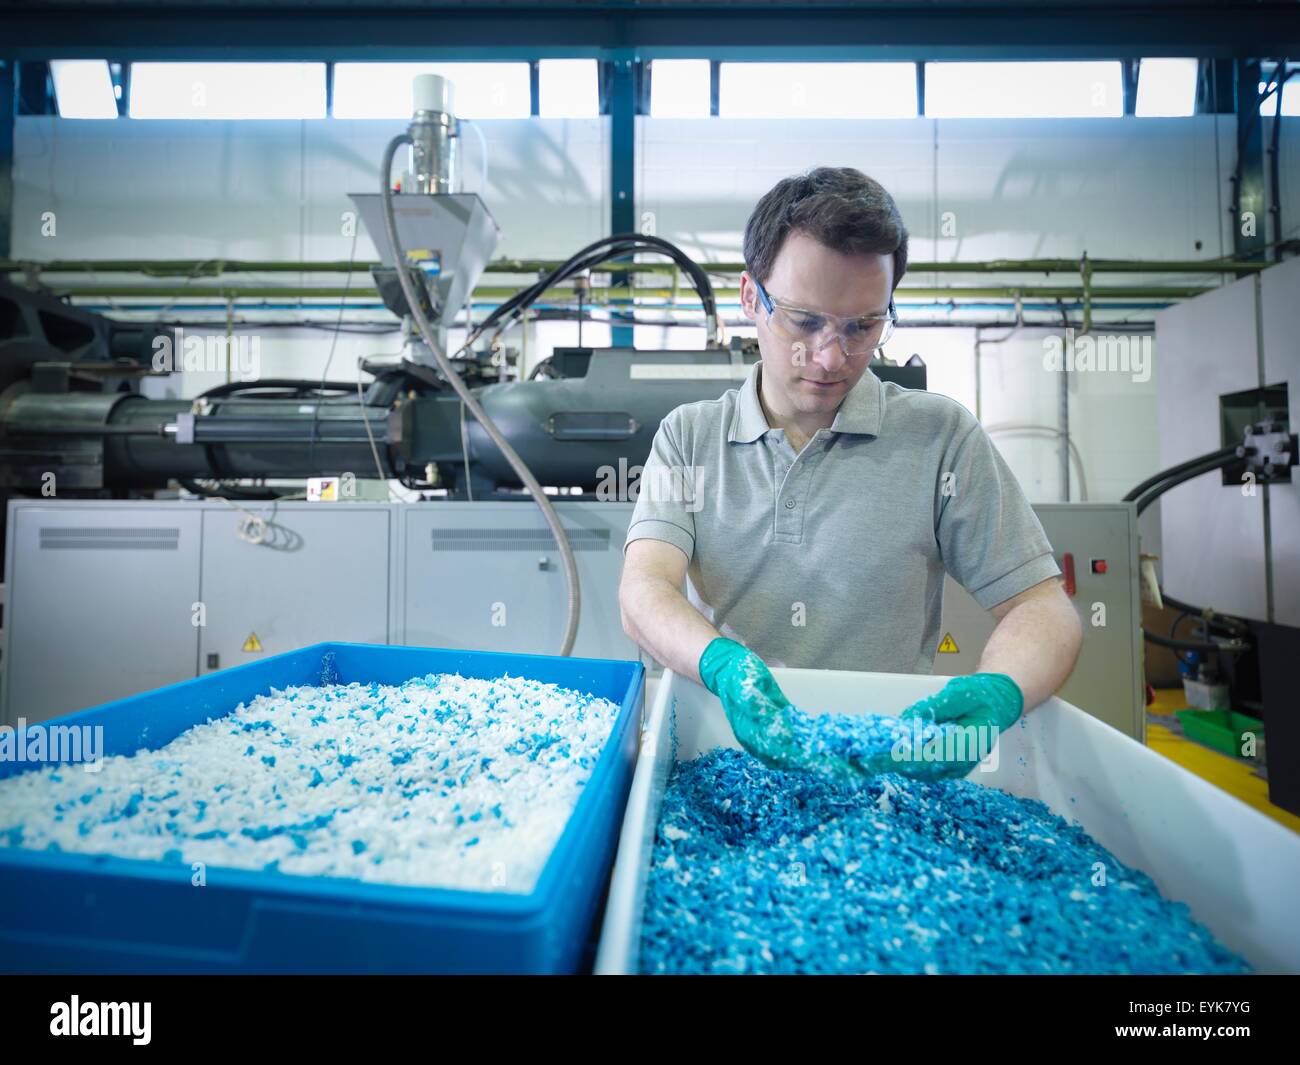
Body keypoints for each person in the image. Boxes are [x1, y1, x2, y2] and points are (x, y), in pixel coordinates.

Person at [618, 167, 1083, 779]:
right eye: (804, 321)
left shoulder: (941, 439)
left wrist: (1001, 692)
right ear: (750, 297)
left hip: (889, 769)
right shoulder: (689, 437)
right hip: (722, 756)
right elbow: (644, 589)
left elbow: (1044, 609)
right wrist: (726, 667)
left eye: (863, 326)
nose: (832, 357)